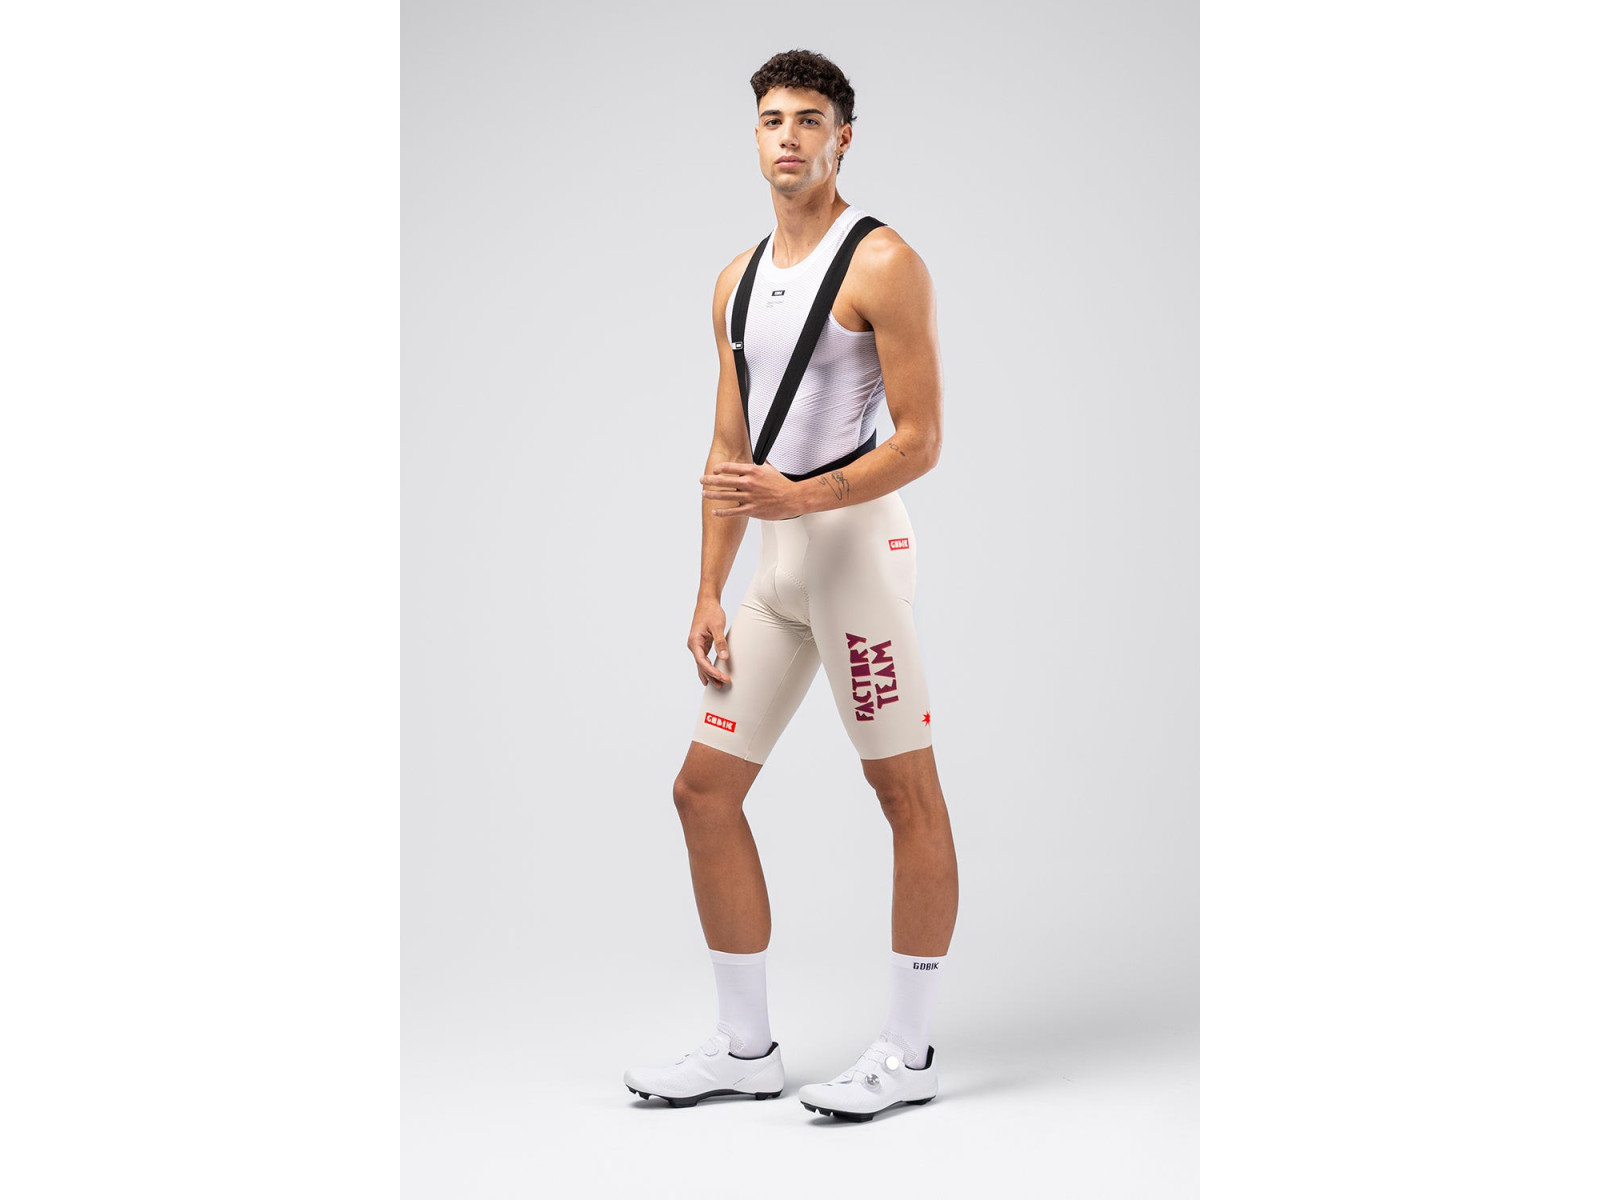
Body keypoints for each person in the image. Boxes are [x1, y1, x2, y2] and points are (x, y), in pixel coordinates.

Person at [622, 48, 959, 1122]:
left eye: (810, 119)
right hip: (774, 570)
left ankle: (910, 1055)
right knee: (702, 793)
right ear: (755, 134)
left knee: (904, 796)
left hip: (854, 557)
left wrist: (803, 499)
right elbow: (729, 447)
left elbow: (921, 440)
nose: (789, 137)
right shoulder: (735, 278)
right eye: (773, 119)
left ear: (841, 138)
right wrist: (706, 590)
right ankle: (744, 1048)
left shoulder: (884, 262)